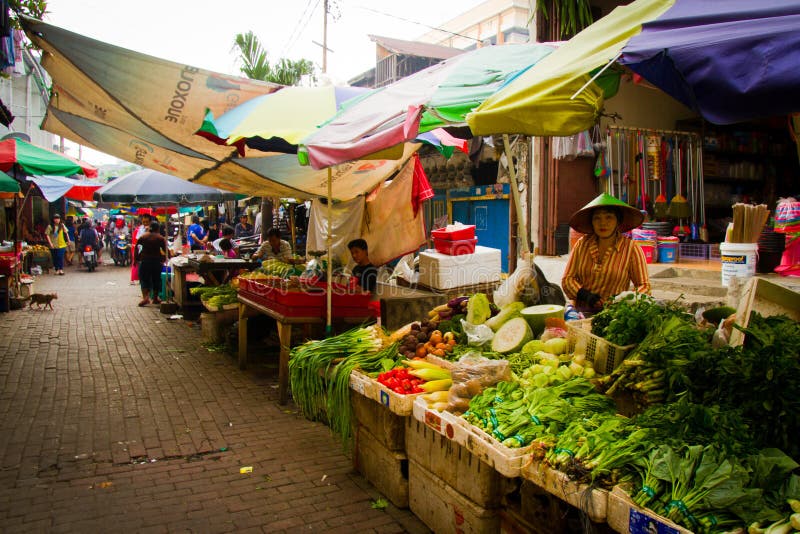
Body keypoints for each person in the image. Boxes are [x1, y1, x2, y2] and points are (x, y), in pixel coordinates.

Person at [561, 193, 651, 314]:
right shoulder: (582, 245)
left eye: (609, 217)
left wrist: (623, 301)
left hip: (615, 315)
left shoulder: (631, 249)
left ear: (618, 221)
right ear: (591, 222)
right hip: (581, 313)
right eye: (597, 218)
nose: (602, 223)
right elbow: (567, 279)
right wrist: (585, 295)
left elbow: (644, 286)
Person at [136, 221, 169, 306]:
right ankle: (155, 298)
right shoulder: (160, 238)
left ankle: (145, 297)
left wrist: (136, 258)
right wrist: (167, 257)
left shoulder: (144, 236)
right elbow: (166, 250)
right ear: (158, 229)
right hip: (156, 261)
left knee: (144, 279)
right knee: (156, 279)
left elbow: (137, 247)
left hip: (145, 260)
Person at [131, 213, 153, 284]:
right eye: (144, 222)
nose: (145, 223)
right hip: (142, 253)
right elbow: (137, 241)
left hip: (151, 254)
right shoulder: (140, 229)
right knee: (142, 273)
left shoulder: (153, 229)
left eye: (147, 222)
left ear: (150, 221)